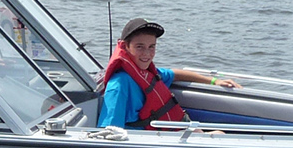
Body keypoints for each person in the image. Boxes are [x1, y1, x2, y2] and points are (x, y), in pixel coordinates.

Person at [97, 17, 239, 129]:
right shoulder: (118, 85)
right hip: (149, 143)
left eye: (151, 47)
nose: (147, 53)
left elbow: (176, 74)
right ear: (125, 47)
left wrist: (214, 81)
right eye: (139, 47)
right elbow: (108, 132)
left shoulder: (147, 74)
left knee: (219, 133)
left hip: (172, 132)